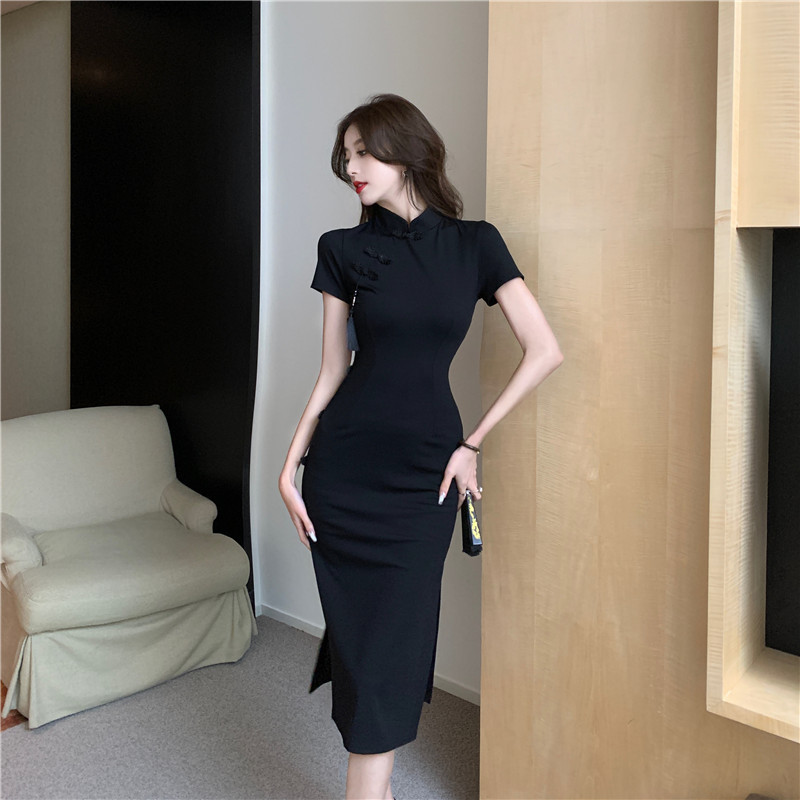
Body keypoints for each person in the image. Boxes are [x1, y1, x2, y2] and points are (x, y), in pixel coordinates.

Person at [278, 93, 563, 800]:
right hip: (343, 469)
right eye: (346, 156)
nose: (351, 167)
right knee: (362, 637)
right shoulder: (341, 249)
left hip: (423, 476)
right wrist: (288, 465)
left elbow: (544, 350)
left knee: (393, 640)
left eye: (363, 152)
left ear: (405, 153)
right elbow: (333, 369)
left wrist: (472, 444)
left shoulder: (476, 244)